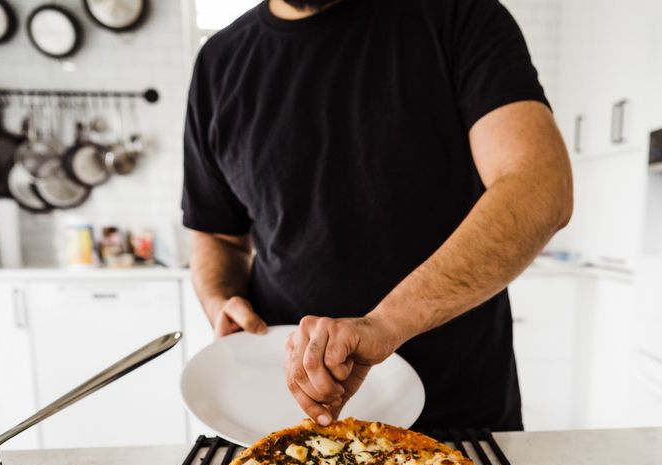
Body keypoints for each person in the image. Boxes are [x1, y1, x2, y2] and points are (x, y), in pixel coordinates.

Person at [183, 0, 572, 431]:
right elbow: (218, 235)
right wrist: (220, 296)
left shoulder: (462, 14)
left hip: (457, 418)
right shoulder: (218, 63)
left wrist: (384, 324)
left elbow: (539, 185)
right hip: (285, 420)